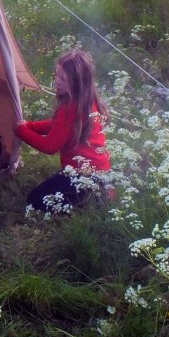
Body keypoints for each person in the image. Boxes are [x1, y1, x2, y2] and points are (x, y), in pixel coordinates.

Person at [14, 49, 110, 215]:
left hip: (82, 176)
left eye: (63, 79)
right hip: (101, 176)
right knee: (46, 194)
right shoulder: (87, 100)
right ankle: (95, 198)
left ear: (77, 82)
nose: (57, 81)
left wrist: (20, 130)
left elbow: (50, 146)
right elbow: (59, 126)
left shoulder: (70, 108)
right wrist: (31, 126)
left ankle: (87, 204)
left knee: (34, 200)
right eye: (56, 75)